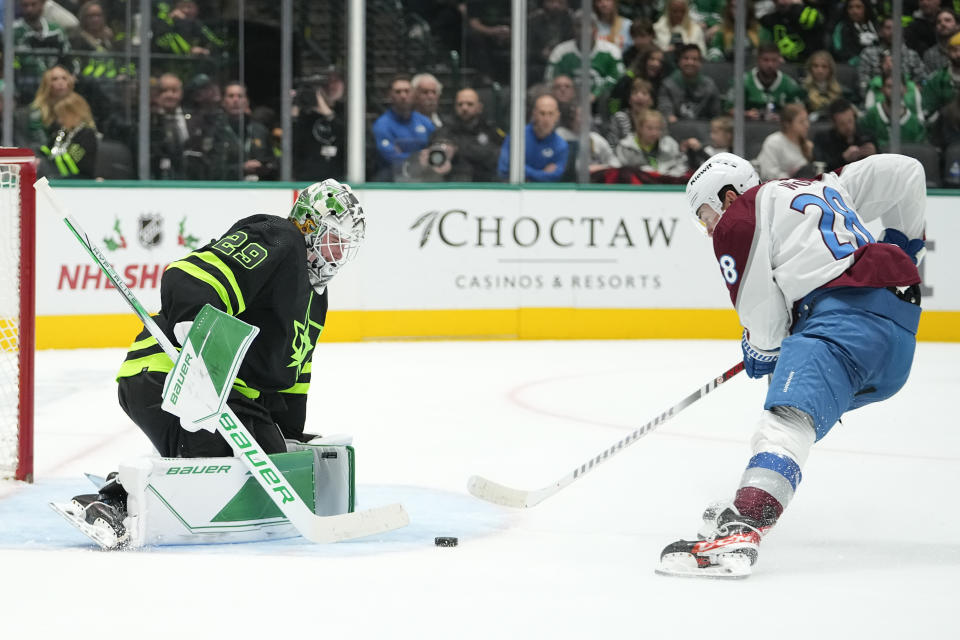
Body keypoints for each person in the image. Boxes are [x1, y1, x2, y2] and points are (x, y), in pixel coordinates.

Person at [658, 150, 925, 578]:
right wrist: (906, 244)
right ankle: (753, 496)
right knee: (789, 404)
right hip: (895, 335)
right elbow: (907, 171)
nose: (710, 228)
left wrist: (759, 350)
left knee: (785, 421)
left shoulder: (739, 217)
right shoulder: (825, 184)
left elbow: (764, 323)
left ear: (728, 196)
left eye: (705, 214)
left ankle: (744, 525)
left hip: (844, 321)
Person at [66, 179, 367, 543]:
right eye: (333, 239)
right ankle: (116, 501)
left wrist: (289, 441)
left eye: (344, 247)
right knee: (219, 457)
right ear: (309, 224)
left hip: (228, 397)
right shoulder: (279, 238)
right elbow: (187, 275)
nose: (336, 254)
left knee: (269, 461)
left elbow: (294, 377)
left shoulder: (316, 299)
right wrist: (194, 322)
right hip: (168, 374)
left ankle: (150, 485)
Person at [545, 11, 625, 100]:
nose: (583, 30)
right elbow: (550, 80)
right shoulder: (560, 52)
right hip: (568, 102)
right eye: (579, 26)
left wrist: (596, 94)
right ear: (573, 29)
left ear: (596, 29)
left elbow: (618, 79)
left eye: (588, 26)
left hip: (602, 103)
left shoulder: (611, 52)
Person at [371, 74, 436, 180]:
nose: (403, 95)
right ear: (390, 95)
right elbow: (391, 157)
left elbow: (434, 147)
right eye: (398, 92)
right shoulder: (382, 125)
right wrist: (420, 158)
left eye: (407, 91)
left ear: (414, 94)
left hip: (423, 179)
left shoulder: (424, 122)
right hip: (391, 181)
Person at [725, 42, 806, 121]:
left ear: (779, 60)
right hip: (748, 128)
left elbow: (800, 111)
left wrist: (783, 117)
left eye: (774, 60)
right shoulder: (742, 82)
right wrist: (746, 114)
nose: (770, 65)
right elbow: (728, 109)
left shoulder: (789, 84)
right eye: (765, 60)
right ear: (758, 60)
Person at [497, 93, 568, 182]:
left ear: (557, 116)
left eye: (551, 114)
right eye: (542, 113)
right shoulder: (517, 137)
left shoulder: (561, 145)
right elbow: (505, 168)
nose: (546, 119)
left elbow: (555, 176)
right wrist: (542, 173)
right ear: (534, 114)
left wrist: (524, 170)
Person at [857, 16, 928, 98]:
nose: (892, 32)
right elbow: (862, 86)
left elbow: (923, 82)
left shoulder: (912, 55)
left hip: (908, 101)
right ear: (880, 32)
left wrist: (907, 91)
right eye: (888, 28)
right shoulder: (868, 54)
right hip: (876, 100)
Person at [222, 81, 277, 181]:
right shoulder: (217, 130)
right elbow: (212, 169)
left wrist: (264, 167)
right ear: (223, 101)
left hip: (259, 188)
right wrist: (241, 168)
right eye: (231, 96)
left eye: (240, 96)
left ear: (246, 101)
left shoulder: (259, 130)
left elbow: (273, 162)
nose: (235, 100)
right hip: (226, 188)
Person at [614, 107, 688, 178]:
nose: (654, 133)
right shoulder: (625, 147)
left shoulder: (670, 144)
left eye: (658, 129)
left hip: (665, 185)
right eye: (649, 128)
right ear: (639, 128)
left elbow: (681, 167)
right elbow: (619, 172)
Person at [860, 72, 928, 149]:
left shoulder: (915, 124)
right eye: (889, 86)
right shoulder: (870, 117)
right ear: (882, 89)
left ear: (905, 89)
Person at [39, 92, 99, 179]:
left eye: (62, 116)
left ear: (76, 114)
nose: (60, 120)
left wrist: (47, 166)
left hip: (79, 183)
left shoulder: (86, 135)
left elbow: (74, 162)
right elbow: (47, 150)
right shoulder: (61, 133)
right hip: (56, 179)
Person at [657, 43, 721, 123]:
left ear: (701, 63)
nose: (690, 62)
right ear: (679, 62)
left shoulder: (710, 86)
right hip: (676, 129)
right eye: (686, 58)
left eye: (695, 59)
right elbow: (666, 112)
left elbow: (716, 117)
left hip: (703, 131)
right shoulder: (667, 85)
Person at [813, 97, 877, 172]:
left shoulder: (867, 135)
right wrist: (843, 158)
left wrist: (875, 155)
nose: (848, 127)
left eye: (850, 121)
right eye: (842, 124)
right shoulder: (824, 140)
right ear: (834, 124)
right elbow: (822, 168)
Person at [755, 102, 815, 180]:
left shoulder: (807, 144)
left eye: (807, 120)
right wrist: (792, 180)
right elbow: (767, 171)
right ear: (787, 124)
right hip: (779, 187)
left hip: (801, 186)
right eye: (801, 122)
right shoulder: (774, 141)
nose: (807, 125)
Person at [758, 0, 826, 63]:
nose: (781, 2)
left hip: (810, 63)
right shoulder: (769, 20)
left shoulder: (809, 11)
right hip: (782, 64)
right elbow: (765, 46)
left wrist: (799, 8)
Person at [150, 72, 189, 179]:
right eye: (164, 91)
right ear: (156, 94)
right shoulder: (148, 121)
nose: (169, 95)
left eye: (174, 91)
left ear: (181, 93)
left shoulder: (193, 118)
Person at [528, 0, 575, 82]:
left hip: (565, 62)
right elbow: (526, 47)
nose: (555, 6)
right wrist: (540, 53)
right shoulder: (533, 21)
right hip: (539, 64)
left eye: (560, 2)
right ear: (544, 3)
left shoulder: (572, 21)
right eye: (551, 2)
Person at [605, 76, 654, 147]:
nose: (639, 97)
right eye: (635, 93)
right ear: (629, 100)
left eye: (644, 93)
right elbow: (612, 145)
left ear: (651, 101)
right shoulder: (620, 117)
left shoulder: (657, 120)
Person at [828, 0, 878, 66]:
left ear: (866, 8)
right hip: (850, 66)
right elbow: (838, 49)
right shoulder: (841, 27)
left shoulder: (875, 26)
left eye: (858, 7)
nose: (854, 11)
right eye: (850, 7)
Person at [802, 50, 844, 121]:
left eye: (824, 67)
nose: (820, 70)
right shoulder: (803, 90)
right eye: (815, 66)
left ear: (830, 70)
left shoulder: (840, 91)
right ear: (810, 69)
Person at [922, 9, 960, 75]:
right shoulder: (930, 54)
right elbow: (930, 81)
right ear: (936, 28)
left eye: (947, 20)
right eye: (938, 22)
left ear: (958, 25)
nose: (942, 24)